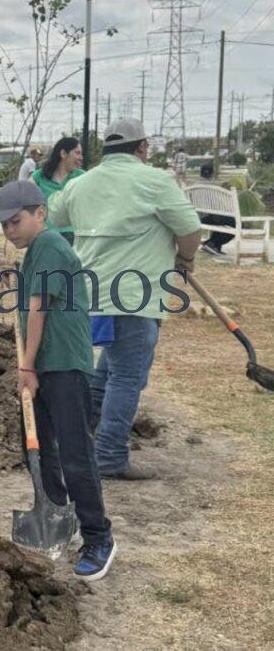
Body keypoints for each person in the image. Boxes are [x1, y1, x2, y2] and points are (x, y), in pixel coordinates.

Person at [49, 118, 201, 480]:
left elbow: (54, 215)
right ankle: (109, 457)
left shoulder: (81, 183)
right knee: (127, 376)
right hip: (134, 297)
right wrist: (187, 257)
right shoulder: (155, 181)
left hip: (89, 294)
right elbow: (190, 229)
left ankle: (82, 436)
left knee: (108, 370)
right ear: (142, 148)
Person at [0, 180, 115, 581]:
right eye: (4, 225)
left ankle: (98, 536)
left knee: (74, 452)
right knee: (37, 448)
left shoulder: (53, 245)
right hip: (43, 362)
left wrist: (26, 366)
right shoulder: (36, 251)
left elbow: (39, 309)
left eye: (16, 221)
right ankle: (59, 516)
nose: (9, 231)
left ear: (40, 213)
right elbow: (34, 295)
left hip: (62, 364)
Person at [32, 137, 86, 245]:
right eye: (77, 153)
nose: (81, 158)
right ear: (63, 153)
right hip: (47, 234)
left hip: (75, 234)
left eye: (81, 154)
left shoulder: (82, 177)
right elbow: (25, 202)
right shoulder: (39, 176)